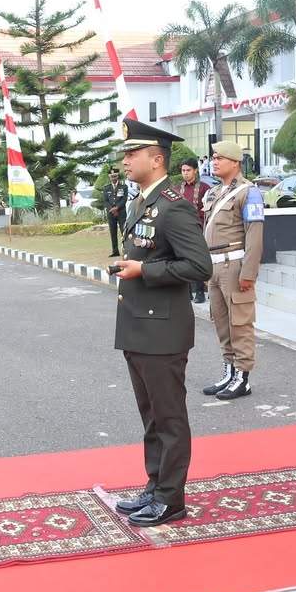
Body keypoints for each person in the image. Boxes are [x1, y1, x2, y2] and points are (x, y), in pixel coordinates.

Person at [111, 120, 212, 527]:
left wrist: (145, 271)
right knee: (151, 415)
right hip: (139, 326)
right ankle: (155, 487)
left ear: (156, 159)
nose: (125, 160)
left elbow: (199, 266)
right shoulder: (142, 202)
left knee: (169, 417)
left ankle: (171, 499)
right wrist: (132, 266)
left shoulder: (173, 205)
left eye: (132, 153)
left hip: (163, 330)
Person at [199, 141, 265, 400]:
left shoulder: (249, 193)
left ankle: (242, 378)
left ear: (235, 162)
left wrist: (248, 273)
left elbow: (255, 235)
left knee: (240, 323)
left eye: (220, 158)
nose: (214, 162)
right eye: (213, 157)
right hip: (214, 265)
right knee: (222, 323)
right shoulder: (214, 192)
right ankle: (229, 371)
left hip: (234, 265)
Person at [178, 157, 210, 303]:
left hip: (198, 230)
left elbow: (208, 210)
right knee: (183, 260)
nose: (185, 173)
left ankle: (200, 292)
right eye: (183, 170)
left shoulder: (204, 188)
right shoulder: (177, 189)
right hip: (181, 231)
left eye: (188, 170)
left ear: (195, 171)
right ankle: (187, 292)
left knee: (197, 261)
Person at [102, 167, 128, 258]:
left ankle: (126, 250)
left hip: (121, 212)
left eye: (115, 176)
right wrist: (112, 209)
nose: (113, 178)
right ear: (109, 177)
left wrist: (117, 208)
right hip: (111, 213)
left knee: (123, 231)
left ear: (118, 176)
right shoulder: (106, 188)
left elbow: (124, 199)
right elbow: (105, 201)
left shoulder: (124, 187)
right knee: (113, 232)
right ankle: (115, 251)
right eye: (112, 176)